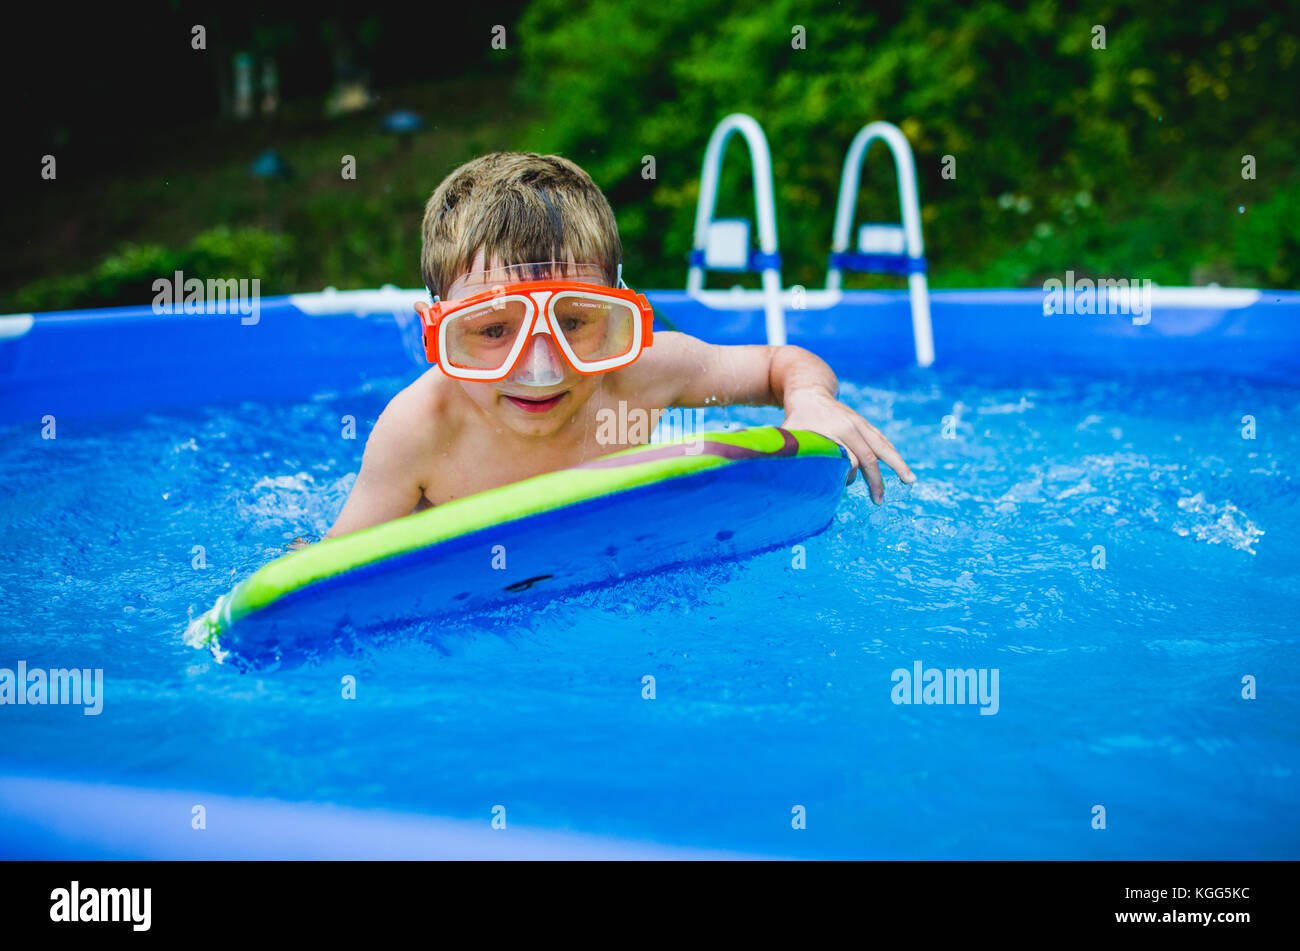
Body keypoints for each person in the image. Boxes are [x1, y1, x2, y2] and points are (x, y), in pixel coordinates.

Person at [326, 151, 913, 539]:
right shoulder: (420, 429)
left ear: (618, 312)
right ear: (437, 330)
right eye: (493, 330)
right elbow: (320, 574)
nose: (540, 366)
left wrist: (809, 400)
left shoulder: (643, 374)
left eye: (575, 321)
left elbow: (782, 362)